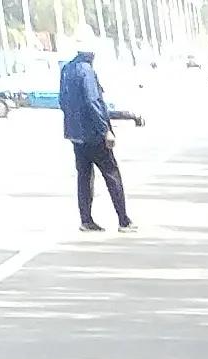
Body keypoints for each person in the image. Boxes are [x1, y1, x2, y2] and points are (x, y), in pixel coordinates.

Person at [59, 40, 131, 230]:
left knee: (84, 176)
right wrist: (105, 130)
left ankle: (86, 220)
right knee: (112, 173)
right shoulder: (86, 71)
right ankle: (123, 220)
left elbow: (62, 101)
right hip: (93, 134)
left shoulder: (67, 69)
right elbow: (93, 101)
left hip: (75, 134)